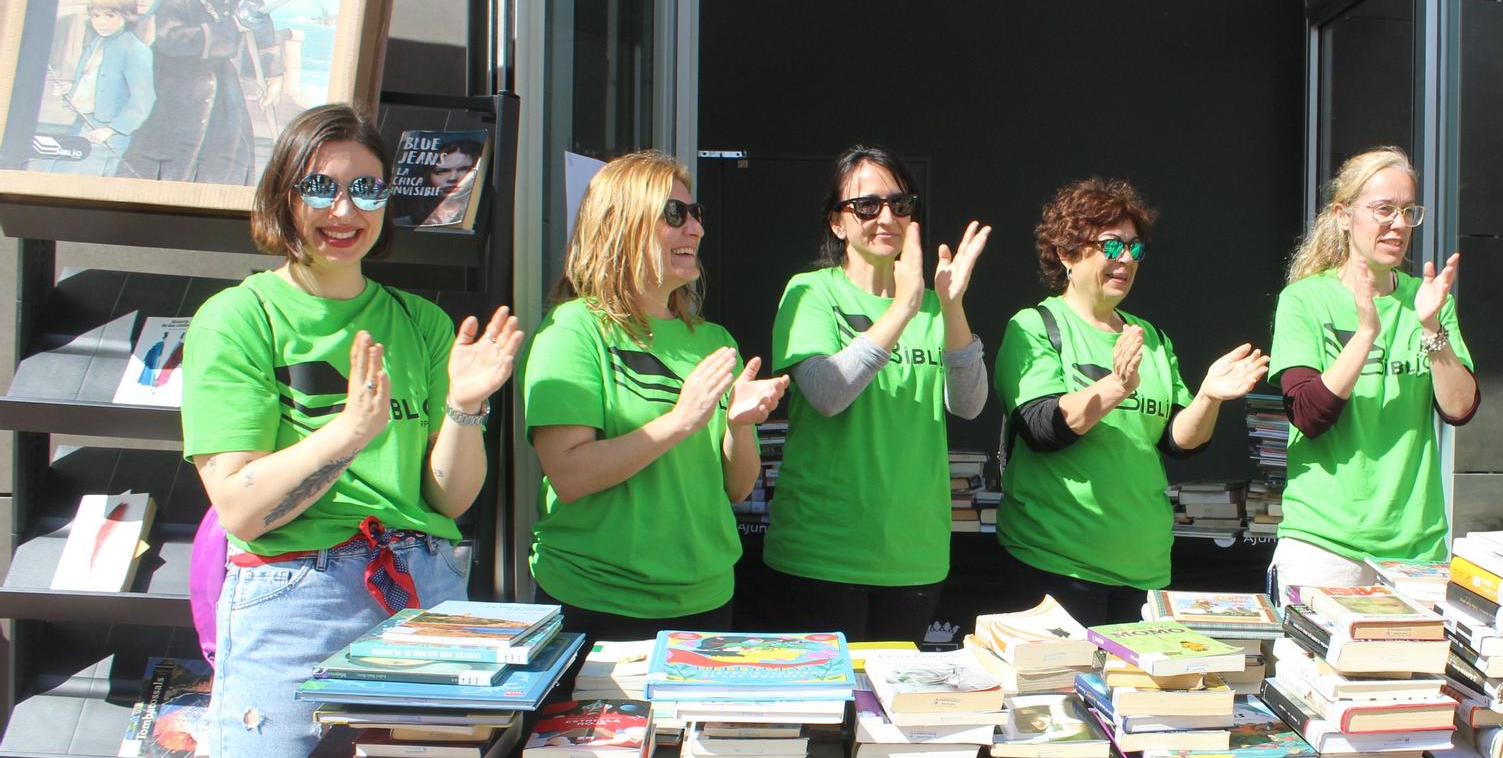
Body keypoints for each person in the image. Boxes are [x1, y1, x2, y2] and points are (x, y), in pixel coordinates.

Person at [171, 103, 523, 758]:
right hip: (292, 604)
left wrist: (461, 408)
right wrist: (342, 435)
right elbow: (238, 502)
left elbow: (449, 497)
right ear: (283, 194)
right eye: (322, 185)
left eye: (366, 187)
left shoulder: (413, 322)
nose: (344, 208)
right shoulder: (241, 320)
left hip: (421, 603)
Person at [524, 150, 787, 646]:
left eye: (697, 214)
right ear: (622, 224)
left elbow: (737, 488)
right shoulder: (573, 330)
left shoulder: (713, 340)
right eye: (675, 214)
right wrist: (681, 419)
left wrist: (739, 424)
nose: (696, 230)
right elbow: (570, 473)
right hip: (599, 602)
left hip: (706, 601)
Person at [994, 178, 1267, 624]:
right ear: (1066, 253)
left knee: (1133, 694)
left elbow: (1178, 441)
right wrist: (1116, 386)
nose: (1126, 259)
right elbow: (1041, 428)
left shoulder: (1151, 337)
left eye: (1135, 249)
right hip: (1055, 564)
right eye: (1111, 246)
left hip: (1143, 568)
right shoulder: (1036, 325)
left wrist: (1209, 397)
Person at [763, 145, 989, 640]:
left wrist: (950, 308)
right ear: (837, 223)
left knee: (890, 715)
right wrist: (903, 307)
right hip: (823, 555)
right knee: (826, 717)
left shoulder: (933, 305)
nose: (886, 216)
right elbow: (826, 393)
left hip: (914, 556)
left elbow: (969, 404)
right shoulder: (812, 291)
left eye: (900, 204)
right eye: (866, 205)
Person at [1266, 146, 1477, 601]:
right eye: (1384, 209)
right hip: (1324, 545)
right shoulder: (1304, 301)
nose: (1399, 224)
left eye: (1408, 211)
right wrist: (1365, 333)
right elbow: (1308, 414)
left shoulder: (1429, 303)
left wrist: (1431, 328)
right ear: (1343, 215)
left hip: (1415, 548)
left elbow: (1460, 409)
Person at [122, 0, 283, 185]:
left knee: (229, 158)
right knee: (166, 163)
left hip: (224, 90)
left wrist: (273, 76)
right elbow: (170, 39)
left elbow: (261, 27)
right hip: (177, 89)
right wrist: (230, 28)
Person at [47, 0, 154, 176]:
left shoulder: (136, 50)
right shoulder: (95, 43)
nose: (101, 22)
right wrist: (70, 90)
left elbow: (143, 99)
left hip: (108, 134)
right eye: (96, 16)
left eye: (110, 16)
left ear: (127, 16)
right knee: (57, 172)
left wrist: (113, 129)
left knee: (82, 181)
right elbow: (95, 83)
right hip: (82, 124)